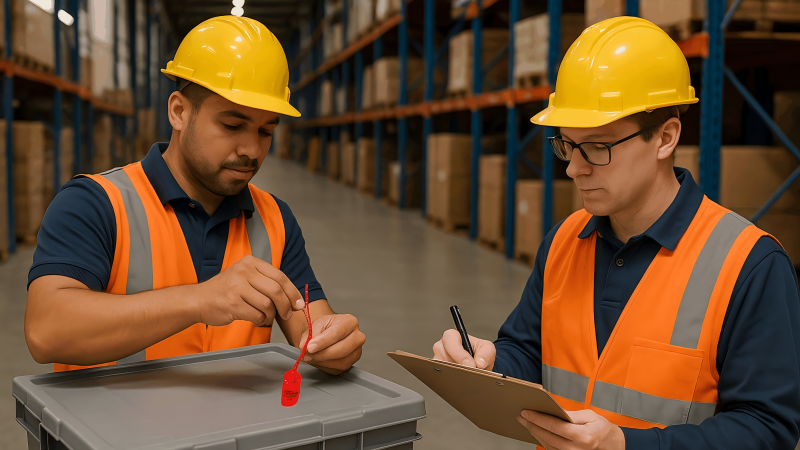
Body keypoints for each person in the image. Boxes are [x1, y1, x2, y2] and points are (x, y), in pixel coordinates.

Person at [433, 17, 800, 449]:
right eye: (567, 144)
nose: (573, 168)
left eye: (597, 147)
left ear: (665, 138)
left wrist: (627, 445)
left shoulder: (748, 266)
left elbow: (767, 429)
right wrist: (494, 363)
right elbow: (530, 351)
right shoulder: (564, 241)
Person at [25, 16, 365, 375]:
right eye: (232, 126)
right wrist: (198, 299)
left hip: (233, 431)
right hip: (114, 430)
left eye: (266, 131)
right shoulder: (96, 203)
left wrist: (334, 344)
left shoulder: (275, 219)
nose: (251, 149)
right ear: (179, 112)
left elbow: (313, 325)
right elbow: (46, 331)